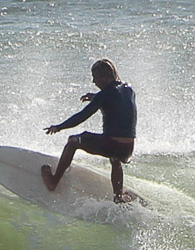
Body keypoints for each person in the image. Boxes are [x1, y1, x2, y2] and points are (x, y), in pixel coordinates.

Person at [41, 59, 138, 203]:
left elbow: (81, 116)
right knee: (115, 159)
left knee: (73, 141)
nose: (94, 82)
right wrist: (96, 98)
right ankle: (118, 196)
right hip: (127, 149)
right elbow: (116, 99)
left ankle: (53, 181)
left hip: (112, 145)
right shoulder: (129, 89)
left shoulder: (104, 95)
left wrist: (59, 127)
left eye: (95, 78)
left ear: (104, 78)